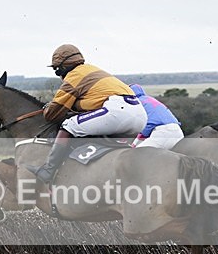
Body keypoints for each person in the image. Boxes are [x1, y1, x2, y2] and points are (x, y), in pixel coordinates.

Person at [26, 44, 147, 184]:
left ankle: (48, 170)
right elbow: (91, 104)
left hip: (117, 112)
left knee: (69, 125)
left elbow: (51, 114)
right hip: (140, 115)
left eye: (57, 71)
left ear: (63, 67)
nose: (59, 76)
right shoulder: (91, 70)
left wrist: (48, 107)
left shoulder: (74, 76)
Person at [129, 84, 184, 149]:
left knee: (136, 154)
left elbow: (147, 127)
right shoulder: (149, 99)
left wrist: (134, 144)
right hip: (178, 132)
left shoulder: (136, 103)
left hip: (163, 133)